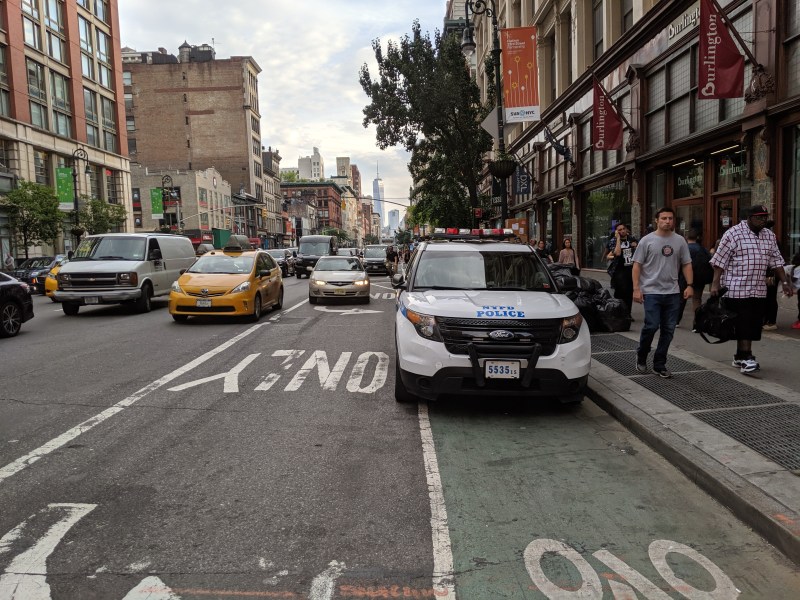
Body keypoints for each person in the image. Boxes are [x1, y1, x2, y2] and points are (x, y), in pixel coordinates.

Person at [709, 205, 795, 374]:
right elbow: (719, 261)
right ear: (749, 217)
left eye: (765, 217)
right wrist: (715, 283)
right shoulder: (733, 233)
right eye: (759, 217)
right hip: (736, 287)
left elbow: (777, 261)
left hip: (758, 288)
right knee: (744, 321)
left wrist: (785, 282)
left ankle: (740, 355)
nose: (763, 220)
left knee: (753, 323)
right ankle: (747, 357)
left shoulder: (769, 236)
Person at [632, 207, 693, 378]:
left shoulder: (680, 241)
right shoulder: (646, 241)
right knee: (651, 326)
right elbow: (637, 265)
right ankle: (642, 355)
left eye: (670, 218)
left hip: (673, 292)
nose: (667, 221)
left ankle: (659, 364)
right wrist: (636, 288)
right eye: (664, 218)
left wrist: (689, 285)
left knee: (668, 330)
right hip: (651, 291)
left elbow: (686, 264)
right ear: (656, 220)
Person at [676, 229, 713, 330]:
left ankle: (676, 320)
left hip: (685, 278)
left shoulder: (685, 249)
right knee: (697, 299)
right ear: (697, 238)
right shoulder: (703, 249)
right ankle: (697, 324)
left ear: (686, 238)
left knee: (681, 299)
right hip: (700, 278)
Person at [607, 223, 638, 318]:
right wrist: (618, 239)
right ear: (616, 231)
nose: (622, 231)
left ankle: (628, 313)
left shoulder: (632, 239)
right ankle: (619, 312)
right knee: (620, 292)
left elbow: (639, 251)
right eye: (619, 230)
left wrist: (635, 246)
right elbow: (617, 252)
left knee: (629, 293)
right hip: (619, 270)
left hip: (630, 269)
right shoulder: (613, 240)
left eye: (623, 229)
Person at [762, 221, 779, 331]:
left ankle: (771, 321)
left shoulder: (772, 240)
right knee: (767, 297)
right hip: (767, 273)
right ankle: (767, 320)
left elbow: (776, 260)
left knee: (770, 297)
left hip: (770, 274)